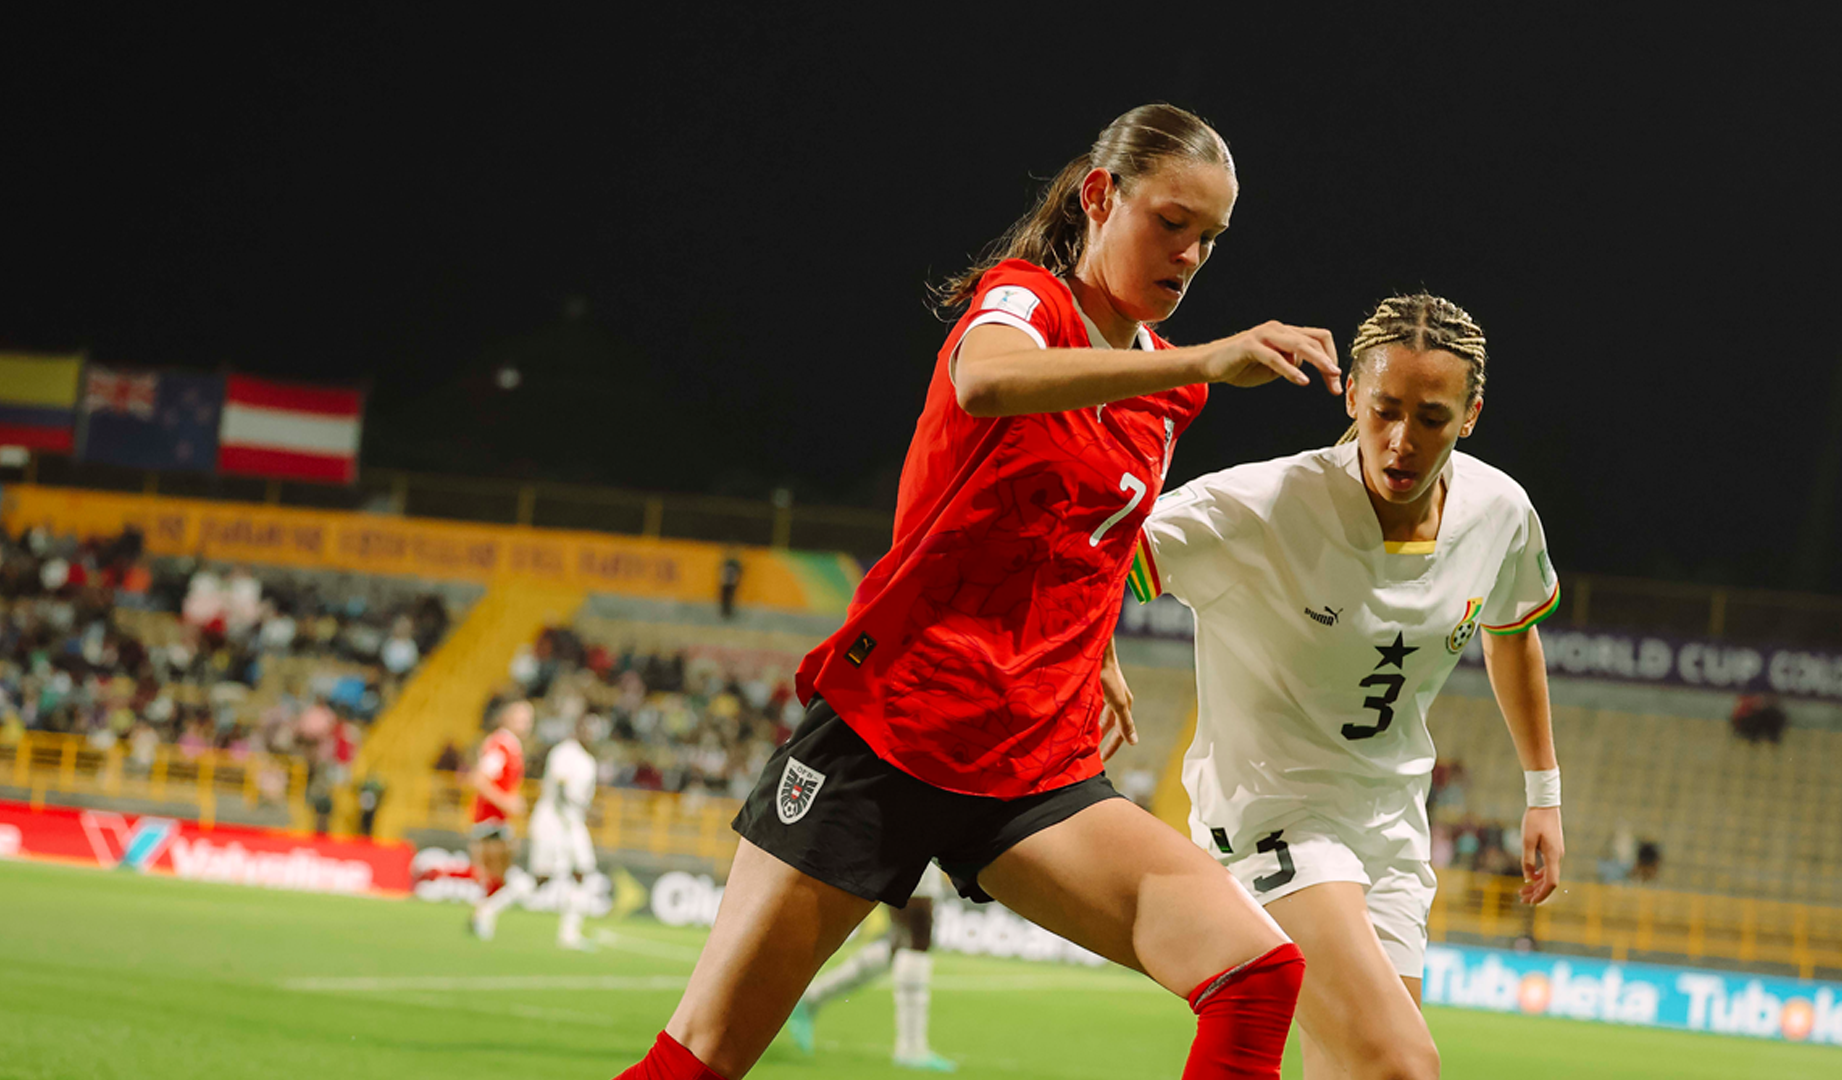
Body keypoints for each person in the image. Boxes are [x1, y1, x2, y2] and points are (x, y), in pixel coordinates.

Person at [614, 103, 1346, 1080]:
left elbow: (1088, 531)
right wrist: (1207, 356)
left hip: (1031, 765)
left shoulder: (1172, 393)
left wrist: (1105, 655)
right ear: (1101, 195)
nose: (1189, 255)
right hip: (892, 732)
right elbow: (986, 382)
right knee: (697, 1061)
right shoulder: (1024, 302)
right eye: (1171, 223)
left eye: (1210, 240)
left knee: (1255, 973)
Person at [1126, 294, 1566, 1080]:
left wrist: (1544, 792)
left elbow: (1513, 631)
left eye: (1430, 417)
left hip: (1390, 830)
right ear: (1354, 397)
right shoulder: (1264, 505)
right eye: (1385, 410)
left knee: (1353, 1069)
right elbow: (1098, 554)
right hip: (1272, 816)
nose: (1402, 441)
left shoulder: (1499, 512)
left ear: (1470, 416)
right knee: (1400, 1064)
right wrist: (1093, 656)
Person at [785, 865, 953, 1071]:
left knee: (900, 941)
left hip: (902, 843)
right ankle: (911, 1048)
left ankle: (811, 998)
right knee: (918, 934)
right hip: (914, 841)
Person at [529, 718, 599, 949]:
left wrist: (586, 813)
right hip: (554, 820)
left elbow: (582, 796)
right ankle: (489, 910)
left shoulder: (589, 761)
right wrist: (568, 817)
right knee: (541, 878)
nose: (588, 734)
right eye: (585, 729)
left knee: (583, 871)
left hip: (573, 821)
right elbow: (559, 788)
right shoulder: (565, 752)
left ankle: (569, 933)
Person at [467, 700, 531, 942]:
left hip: (497, 822)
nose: (526, 724)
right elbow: (479, 779)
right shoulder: (501, 746)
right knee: (503, 879)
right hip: (489, 822)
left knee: (499, 879)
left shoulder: (511, 747)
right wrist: (507, 802)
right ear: (507, 718)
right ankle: (483, 916)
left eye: (528, 719)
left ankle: (483, 917)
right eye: (521, 718)